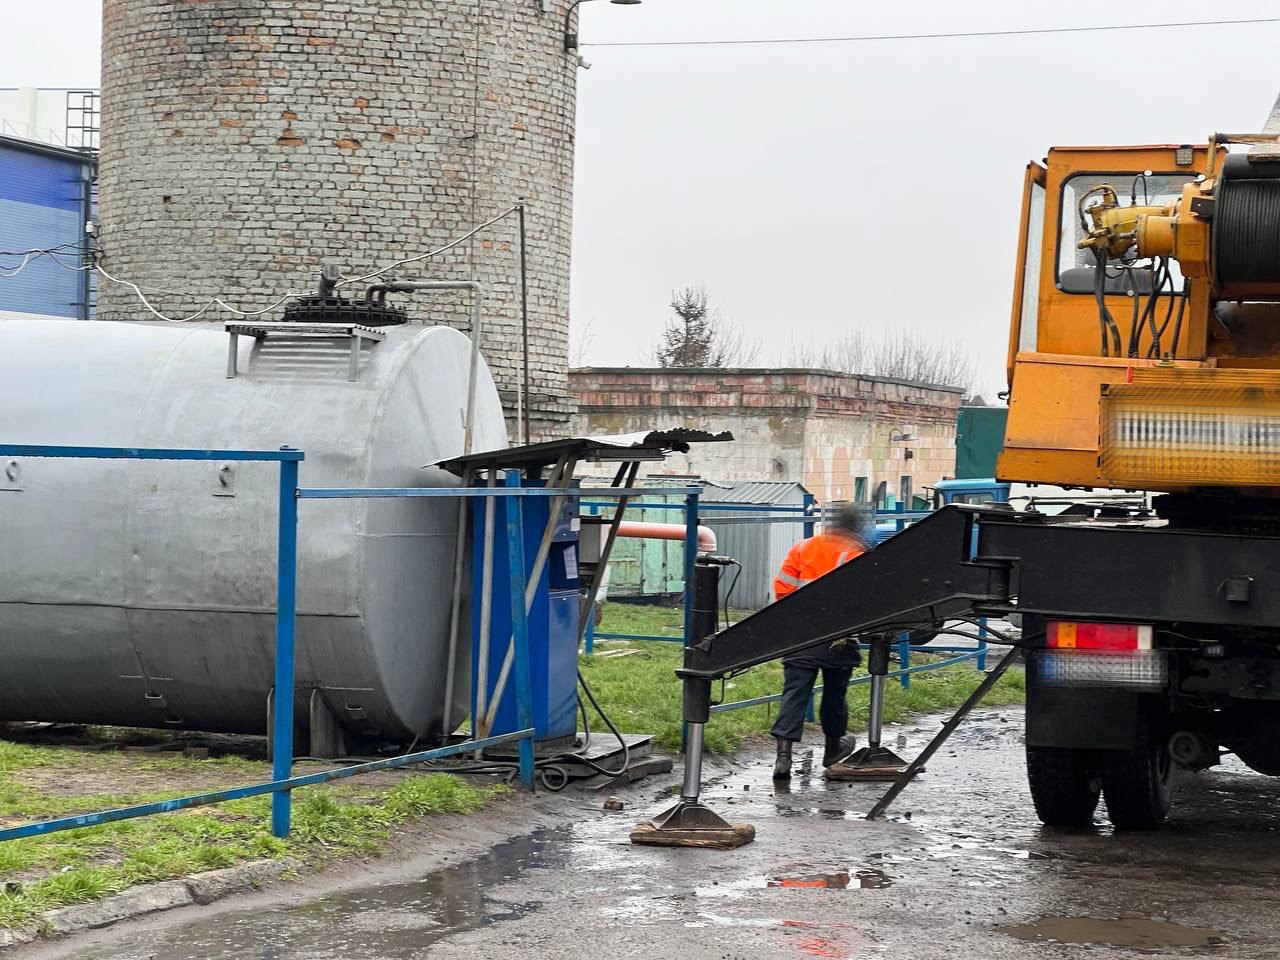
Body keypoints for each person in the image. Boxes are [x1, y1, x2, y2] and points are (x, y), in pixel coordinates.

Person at [770, 503, 871, 780]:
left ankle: (783, 757)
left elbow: (783, 590)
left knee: (795, 693)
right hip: (838, 636)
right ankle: (833, 749)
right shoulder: (856, 553)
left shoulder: (803, 548)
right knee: (835, 694)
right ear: (856, 526)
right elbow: (863, 599)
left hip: (799, 635)